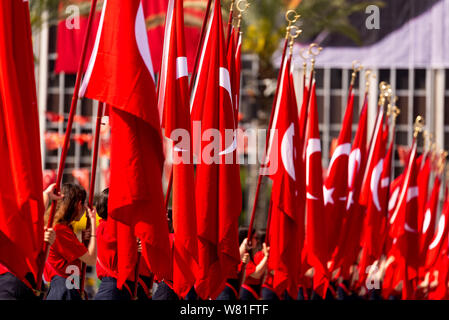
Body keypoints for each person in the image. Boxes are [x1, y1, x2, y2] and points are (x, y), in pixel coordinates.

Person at [0, 183, 60, 300]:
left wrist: (44, 242)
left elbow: (31, 220)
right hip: (9, 282)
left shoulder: (19, 219)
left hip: (29, 281)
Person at [44, 183, 97, 300]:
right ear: (79, 205)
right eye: (84, 205)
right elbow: (91, 259)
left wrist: (85, 242)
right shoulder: (60, 230)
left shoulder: (64, 228)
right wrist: (93, 224)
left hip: (68, 286)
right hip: (65, 287)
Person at [239, 231, 269, 301]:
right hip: (247, 292)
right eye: (255, 238)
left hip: (252, 292)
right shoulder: (247, 255)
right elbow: (256, 274)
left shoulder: (250, 256)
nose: (257, 241)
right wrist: (267, 256)